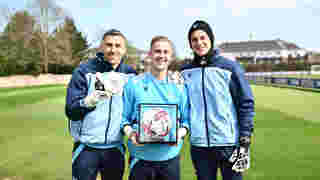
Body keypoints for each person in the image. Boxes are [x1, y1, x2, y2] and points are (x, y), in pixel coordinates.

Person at [180, 20, 255, 180]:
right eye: (194, 40)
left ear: (211, 39)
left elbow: (246, 103)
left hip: (229, 142)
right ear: (190, 44)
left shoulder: (230, 67)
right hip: (199, 145)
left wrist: (245, 137)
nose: (199, 43)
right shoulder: (185, 71)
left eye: (203, 38)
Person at [65, 29, 136, 180]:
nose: (113, 50)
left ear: (124, 50)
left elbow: (134, 112)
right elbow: (71, 110)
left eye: (118, 46)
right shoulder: (84, 70)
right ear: (101, 47)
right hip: (86, 149)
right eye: (109, 45)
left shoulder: (130, 75)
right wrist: (88, 102)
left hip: (114, 149)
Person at [121, 36, 190, 180]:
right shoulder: (134, 84)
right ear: (150, 54)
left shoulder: (179, 86)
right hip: (140, 158)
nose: (162, 55)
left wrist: (180, 133)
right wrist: (131, 134)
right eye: (157, 51)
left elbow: (186, 119)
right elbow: (123, 117)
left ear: (171, 56)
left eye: (166, 52)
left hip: (169, 159)